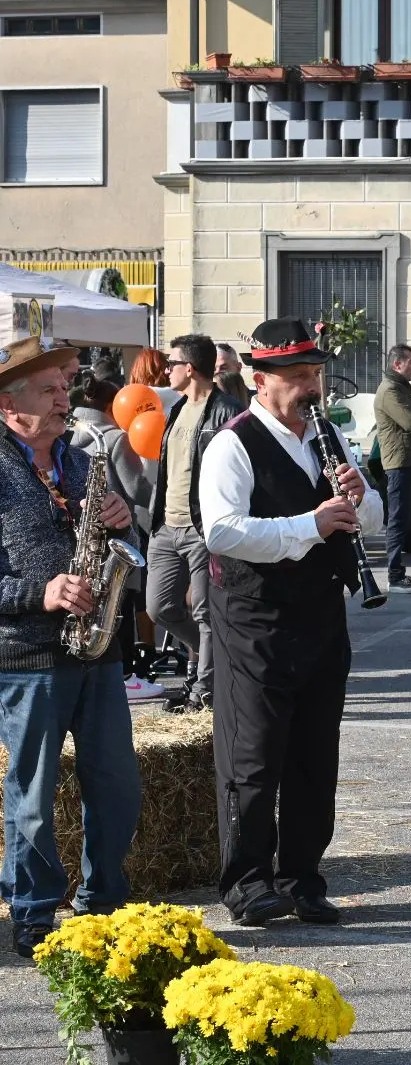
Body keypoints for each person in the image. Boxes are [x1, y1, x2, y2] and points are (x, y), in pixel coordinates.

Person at [199, 317, 383, 927]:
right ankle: (247, 882)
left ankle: (303, 877)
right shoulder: (232, 444)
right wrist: (311, 524)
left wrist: (360, 497)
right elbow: (222, 531)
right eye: (298, 375)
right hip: (255, 617)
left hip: (321, 614)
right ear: (261, 380)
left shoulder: (328, 437)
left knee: (314, 756)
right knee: (253, 758)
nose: (311, 386)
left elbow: (372, 518)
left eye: (314, 373)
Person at [0, 335, 140, 960]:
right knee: (32, 793)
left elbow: (130, 545)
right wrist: (42, 592)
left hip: (96, 649)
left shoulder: (82, 462)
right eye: (49, 390)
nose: (66, 399)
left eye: (64, 387)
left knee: (116, 786)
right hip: (28, 656)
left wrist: (123, 520)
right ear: (9, 405)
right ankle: (33, 910)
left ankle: (104, 900)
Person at [146, 335, 244, 714]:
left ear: (189, 369)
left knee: (205, 612)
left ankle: (202, 692)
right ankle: (212, 653)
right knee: (159, 607)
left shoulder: (226, 411)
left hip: (202, 527)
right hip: (166, 527)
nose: (165, 371)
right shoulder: (176, 409)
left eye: (171, 364)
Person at [67, 376, 161, 702]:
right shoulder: (116, 438)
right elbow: (137, 490)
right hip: (118, 533)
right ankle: (125, 676)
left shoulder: (71, 436)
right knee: (121, 605)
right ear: (112, 406)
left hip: (86, 536)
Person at [374, 344, 411, 592]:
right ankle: (394, 574)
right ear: (397, 364)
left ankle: (400, 571)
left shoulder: (400, 387)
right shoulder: (390, 390)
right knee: (398, 518)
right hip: (398, 463)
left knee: (408, 516)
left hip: (407, 459)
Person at [129, 346, 182, 412]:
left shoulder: (129, 397)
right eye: (167, 365)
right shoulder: (174, 395)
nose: (168, 370)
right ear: (160, 369)